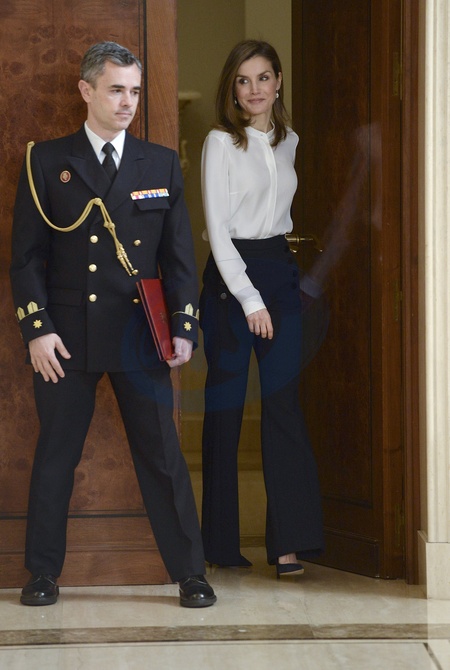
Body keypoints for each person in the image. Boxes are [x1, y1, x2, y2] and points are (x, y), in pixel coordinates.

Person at [9, 41, 216, 608]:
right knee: (55, 456)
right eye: (116, 90)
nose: (127, 102)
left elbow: (178, 258)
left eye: (135, 91)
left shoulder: (160, 162)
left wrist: (184, 326)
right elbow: (26, 258)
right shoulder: (46, 161)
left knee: (162, 458)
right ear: (87, 91)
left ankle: (190, 573)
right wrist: (37, 329)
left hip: (138, 335)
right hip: (66, 338)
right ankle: (42, 573)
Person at [200, 40, 324, 576]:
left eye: (264, 77)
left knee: (283, 405)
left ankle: (289, 543)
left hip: (279, 267)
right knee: (225, 410)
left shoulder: (289, 141)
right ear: (233, 88)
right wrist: (249, 299)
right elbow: (217, 230)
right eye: (243, 80)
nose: (255, 89)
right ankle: (219, 545)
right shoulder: (220, 143)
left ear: (278, 83)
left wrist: (273, 291)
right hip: (231, 278)